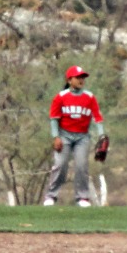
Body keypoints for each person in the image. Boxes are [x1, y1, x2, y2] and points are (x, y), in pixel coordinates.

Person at [44, 65, 105, 207]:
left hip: (82, 137)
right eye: (78, 77)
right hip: (64, 135)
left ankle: (82, 197)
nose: (81, 80)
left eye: (83, 77)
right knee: (60, 165)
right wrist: (55, 137)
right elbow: (54, 118)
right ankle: (51, 196)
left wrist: (102, 134)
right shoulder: (61, 97)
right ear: (69, 79)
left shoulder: (89, 97)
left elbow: (97, 118)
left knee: (82, 166)